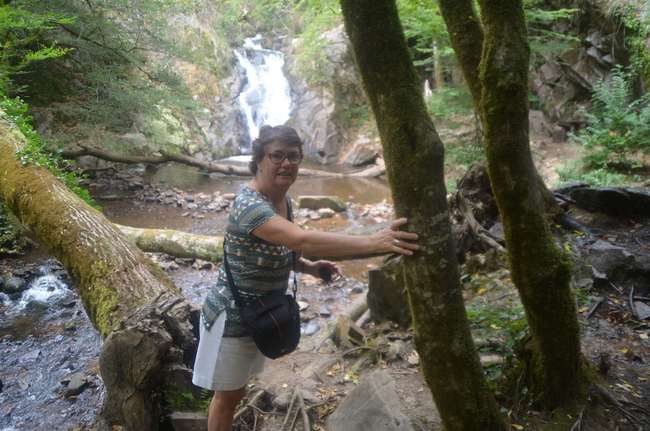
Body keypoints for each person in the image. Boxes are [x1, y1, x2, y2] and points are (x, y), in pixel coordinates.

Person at [192, 125, 419, 431]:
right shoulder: (249, 206)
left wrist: (307, 267)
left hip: (260, 314)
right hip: (232, 317)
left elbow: (283, 249)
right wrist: (372, 243)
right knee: (227, 397)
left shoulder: (285, 203)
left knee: (239, 390)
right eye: (276, 156)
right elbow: (301, 240)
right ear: (259, 160)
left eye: (293, 156)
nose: (286, 163)